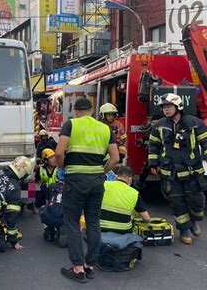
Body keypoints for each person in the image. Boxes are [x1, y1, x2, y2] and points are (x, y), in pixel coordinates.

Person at [55, 97, 119, 284]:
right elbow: (115, 158)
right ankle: (90, 265)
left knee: (73, 223)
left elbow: (59, 153)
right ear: (92, 110)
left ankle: (77, 268)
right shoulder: (105, 128)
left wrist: (61, 168)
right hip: (97, 182)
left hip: (75, 180)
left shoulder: (71, 124)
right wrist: (101, 171)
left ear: (76, 111)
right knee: (93, 222)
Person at [148, 93, 207, 245]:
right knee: (177, 202)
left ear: (178, 107)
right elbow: (153, 146)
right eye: (163, 107)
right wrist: (153, 164)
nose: (165, 110)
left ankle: (193, 221)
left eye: (168, 107)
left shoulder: (194, 123)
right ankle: (184, 230)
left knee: (197, 202)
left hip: (192, 171)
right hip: (170, 172)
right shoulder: (159, 125)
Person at [100, 166, 151, 234]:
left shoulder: (104, 184)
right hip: (123, 230)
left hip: (101, 227)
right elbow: (146, 218)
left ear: (116, 176)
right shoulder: (134, 193)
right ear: (130, 179)